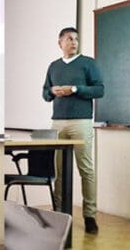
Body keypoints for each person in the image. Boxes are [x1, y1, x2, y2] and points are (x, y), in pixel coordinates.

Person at [42, 27, 104, 234]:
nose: (74, 42)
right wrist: (52, 91)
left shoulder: (88, 63)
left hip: (81, 122)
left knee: (86, 169)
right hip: (58, 123)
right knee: (58, 170)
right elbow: (45, 93)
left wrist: (75, 89)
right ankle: (59, 212)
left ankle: (90, 216)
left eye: (76, 39)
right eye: (69, 39)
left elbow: (99, 89)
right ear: (60, 43)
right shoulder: (53, 66)